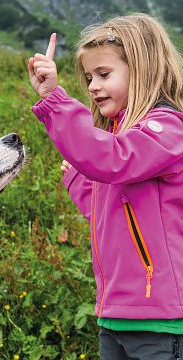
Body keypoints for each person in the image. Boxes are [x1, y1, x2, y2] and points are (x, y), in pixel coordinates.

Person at [28, 13, 183, 360]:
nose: (93, 86)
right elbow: (105, 212)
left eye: (104, 74)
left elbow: (111, 160)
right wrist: (78, 178)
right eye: (88, 77)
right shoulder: (118, 138)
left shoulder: (167, 130)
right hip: (114, 314)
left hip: (160, 318)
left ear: (141, 70)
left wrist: (56, 100)